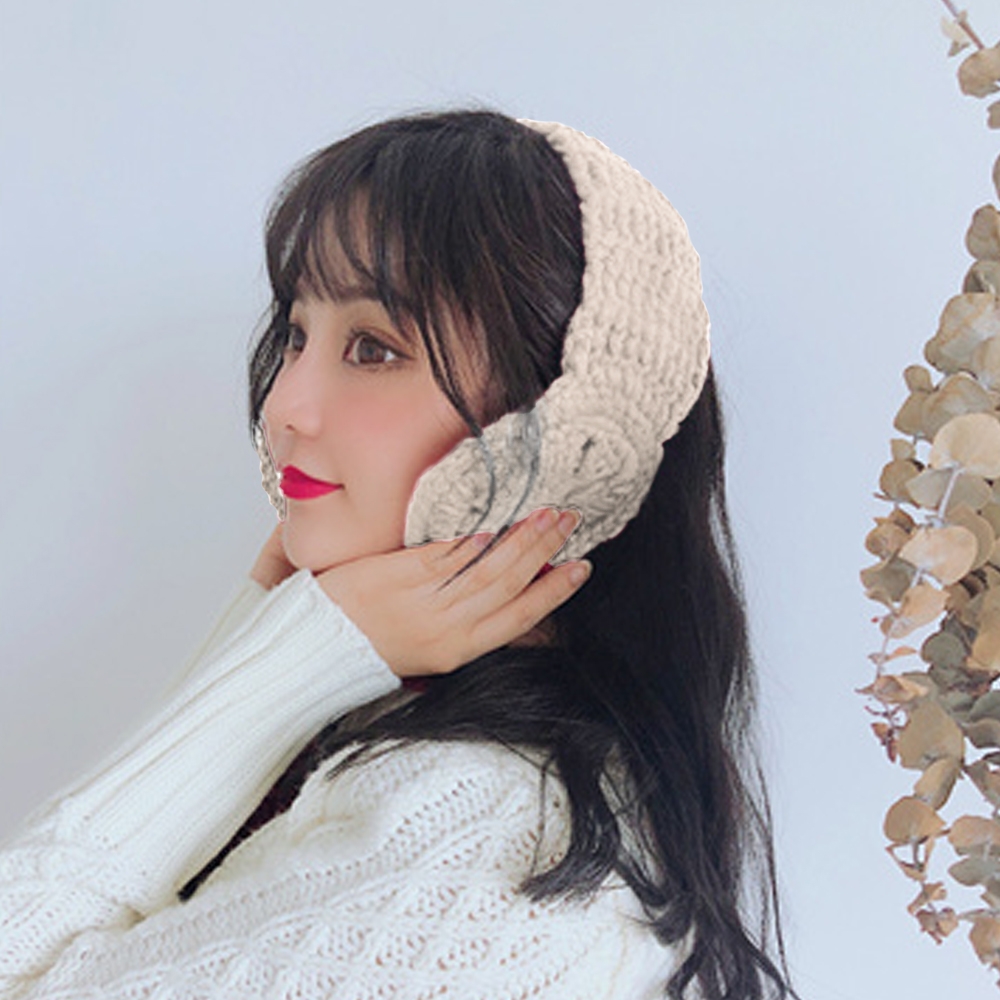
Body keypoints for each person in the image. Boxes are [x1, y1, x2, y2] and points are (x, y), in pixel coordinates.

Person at [0, 108, 797, 1000]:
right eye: (296, 334)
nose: (285, 407)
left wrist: (275, 674)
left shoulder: (482, 849)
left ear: (562, 428)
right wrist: (270, 652)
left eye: (372, 349)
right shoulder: (448, 780)